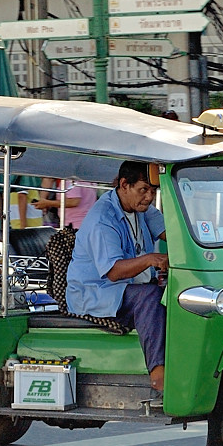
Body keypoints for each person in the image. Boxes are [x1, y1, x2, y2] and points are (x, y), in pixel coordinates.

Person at [66, 161, 168, 392]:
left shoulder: (141, 209)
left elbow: (170, 232)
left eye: (153, 191)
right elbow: (113, 272)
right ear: (124, 185)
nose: (149, 197)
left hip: (127, 288)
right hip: (96, 293)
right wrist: (152, 259)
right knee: (150, 296)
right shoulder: (103, 219)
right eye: (144, 190)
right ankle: (158, 375)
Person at [33, 179, 97, 229]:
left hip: (73, 224)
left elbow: (74, 202)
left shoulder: (71, 182)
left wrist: (47, 203)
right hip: (87, 222)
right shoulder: (89, 181)